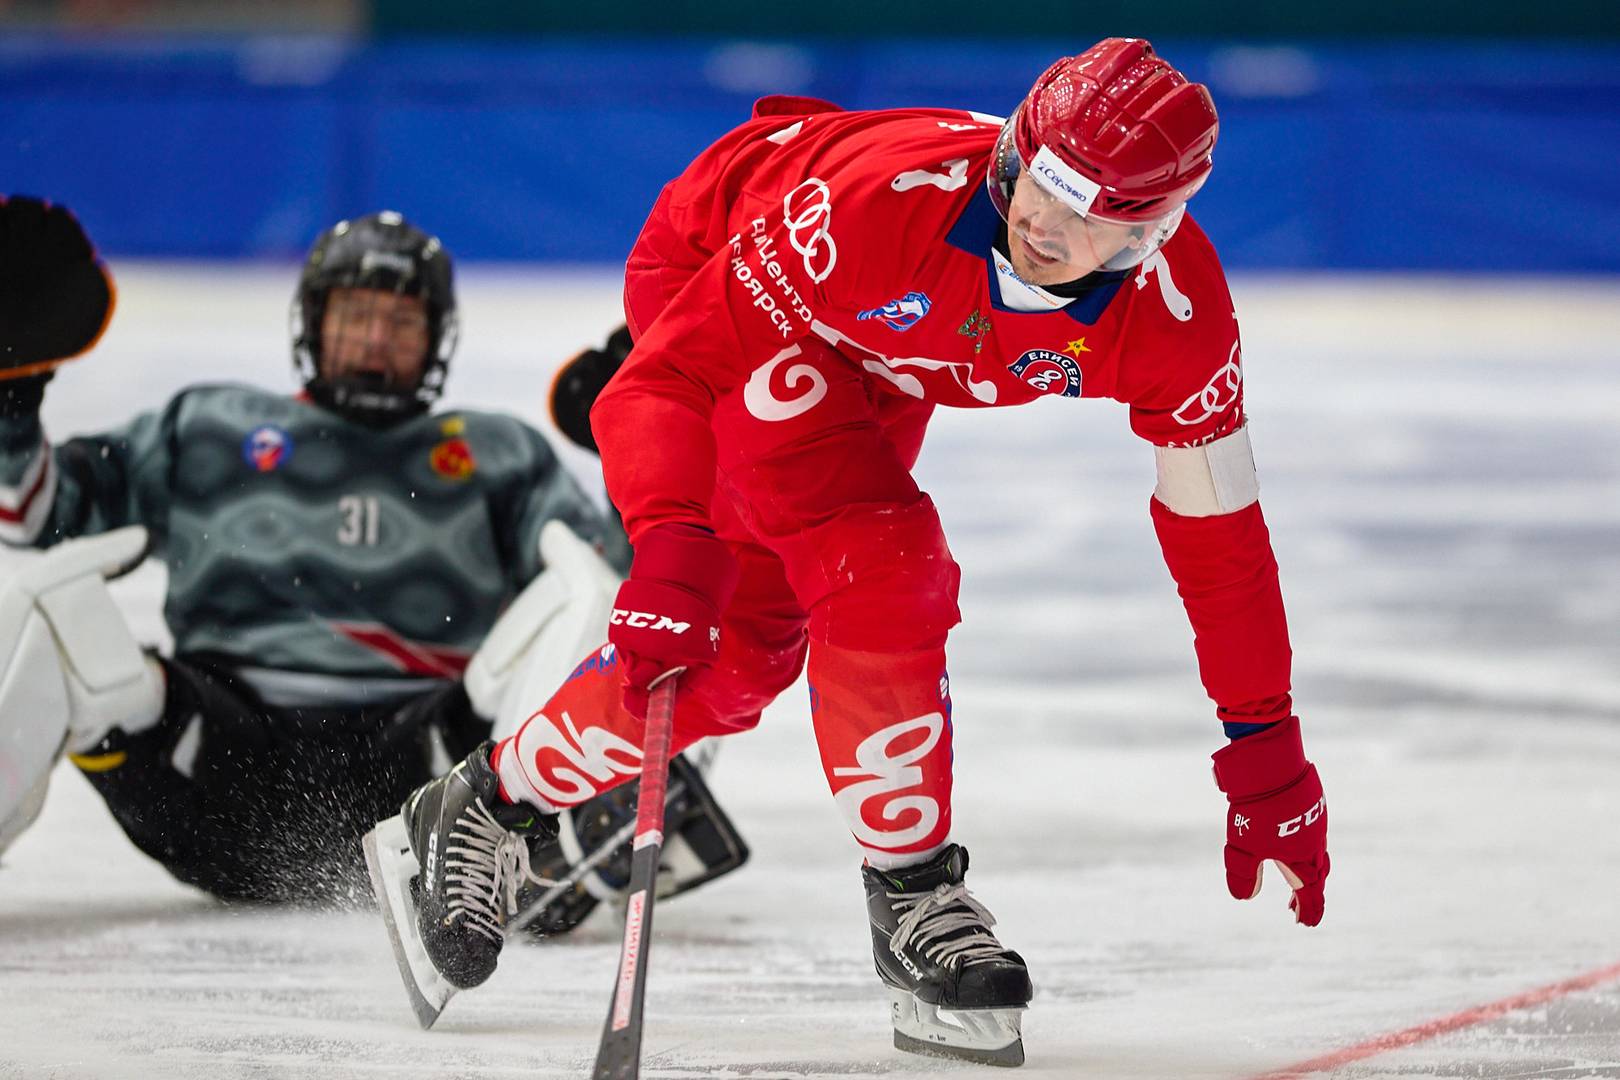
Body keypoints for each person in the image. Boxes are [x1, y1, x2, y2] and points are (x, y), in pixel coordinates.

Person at [369, 38, 1332, 1066]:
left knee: (737, 663)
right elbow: (654, 387)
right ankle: (916, 899)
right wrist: (668, 539)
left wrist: (1263, 744)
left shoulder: (1180, 324)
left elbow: (1218, 538)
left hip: (886, 352)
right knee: (882, 564)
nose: (1042, 221)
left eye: (1091, 212)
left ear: (1151, 232)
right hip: (734, 262)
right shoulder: (875, 207)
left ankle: (481, 803)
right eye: (1037, 177)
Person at [0, 202, 746, 918]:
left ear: (438, 338)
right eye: (357, 314)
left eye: (402, 320)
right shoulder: (207, 427)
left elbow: (636, 591)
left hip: (432, 778)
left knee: (580, 585)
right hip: (212, 763)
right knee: (44, 601)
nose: (377, 337)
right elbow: (35, 515)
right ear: (313, 322)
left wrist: (644, 445)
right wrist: (12, 402)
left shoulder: (496, 453)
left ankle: (552, 843)